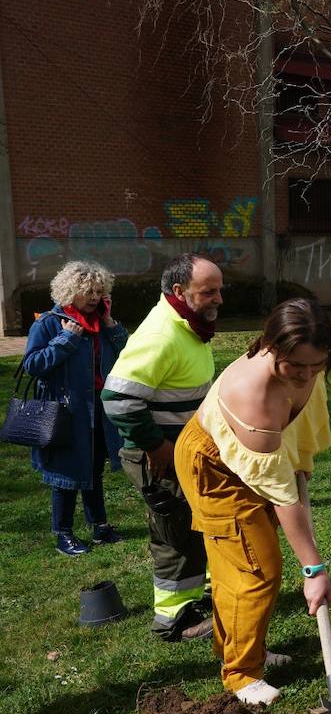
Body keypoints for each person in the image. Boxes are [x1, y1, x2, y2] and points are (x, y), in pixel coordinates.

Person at [176, 298, 331, 705]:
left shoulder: (307, 364)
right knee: (255, 569)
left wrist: (300, 463)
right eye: (296, 366)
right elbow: (282, 496)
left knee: (242, 565)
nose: (306, 375)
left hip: (251, 456)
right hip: (214, 469)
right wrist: (313, 568)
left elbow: (302, 416)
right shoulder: (255, 395)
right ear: (272, 346)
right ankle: (241, 673)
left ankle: (241, 650)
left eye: (316, 365)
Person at [102, 254, 223, 642]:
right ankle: (174, 619)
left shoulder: (187, 326)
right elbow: (118, 399)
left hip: (181, 452)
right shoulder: (162, 334)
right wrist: (157, 446)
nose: (219, 298)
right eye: (209, 292)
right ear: (179, 292)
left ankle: (195, 599)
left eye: (220, 289)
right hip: (158, 456)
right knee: (174, 533)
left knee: (191, 528)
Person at [21, 260, 128, 556]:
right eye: (88, 292)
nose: (95, 298)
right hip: (65, 411)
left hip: (98, 409)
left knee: (94, 469)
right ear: (70, 292)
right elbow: (33, 365)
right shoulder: (50, 323)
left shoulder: (103, 323)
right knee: (65, 475)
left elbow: (127, 354)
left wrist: (111, 327)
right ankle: (63, 533)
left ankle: (100, 526)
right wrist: (66, 339)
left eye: (99, 291)